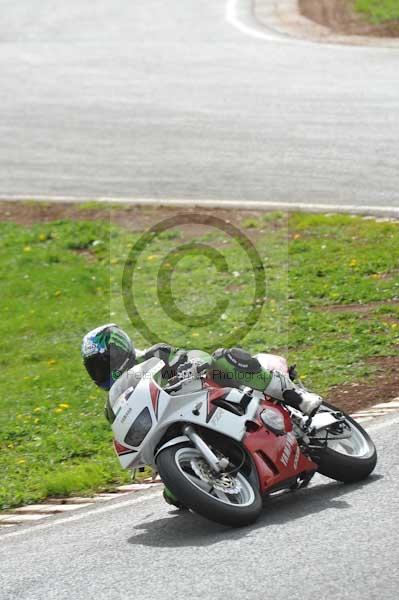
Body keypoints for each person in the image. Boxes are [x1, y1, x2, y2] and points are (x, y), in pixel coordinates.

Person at [81, 324, 323, 506]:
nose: (103, 371)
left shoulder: (155, 356)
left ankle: (296, 398)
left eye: (105, 362)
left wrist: (188, 366)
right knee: (174, 497)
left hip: (213, 396)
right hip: (177, 430)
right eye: (96, 368)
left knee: (221, 358)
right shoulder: (113, 405)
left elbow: (197, 357)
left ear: (121, 350)